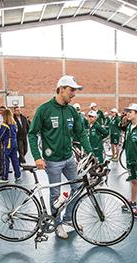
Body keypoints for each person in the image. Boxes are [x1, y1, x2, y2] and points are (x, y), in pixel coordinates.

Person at [28, 75, 92, 239]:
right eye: (71, 90)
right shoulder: (44, 110)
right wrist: (37, 157)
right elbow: (32, 134)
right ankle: (57, 225)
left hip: (69, 159)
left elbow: (81, 133)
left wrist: (91, 152)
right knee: (55, 195)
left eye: (75, 91)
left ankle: (69, 219)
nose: (74, 94)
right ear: (61, 89)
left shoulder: (71, 111)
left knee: (77, 189)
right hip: (52, 161)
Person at [0, 108, 21, 183]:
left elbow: (1, 136)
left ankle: (5, 177)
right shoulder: (14, 124)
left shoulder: (4, 125)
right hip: (14, 143)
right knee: (15, 160)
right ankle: (18, 176)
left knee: (5, 160)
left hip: (8, 144)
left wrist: (0, 141)